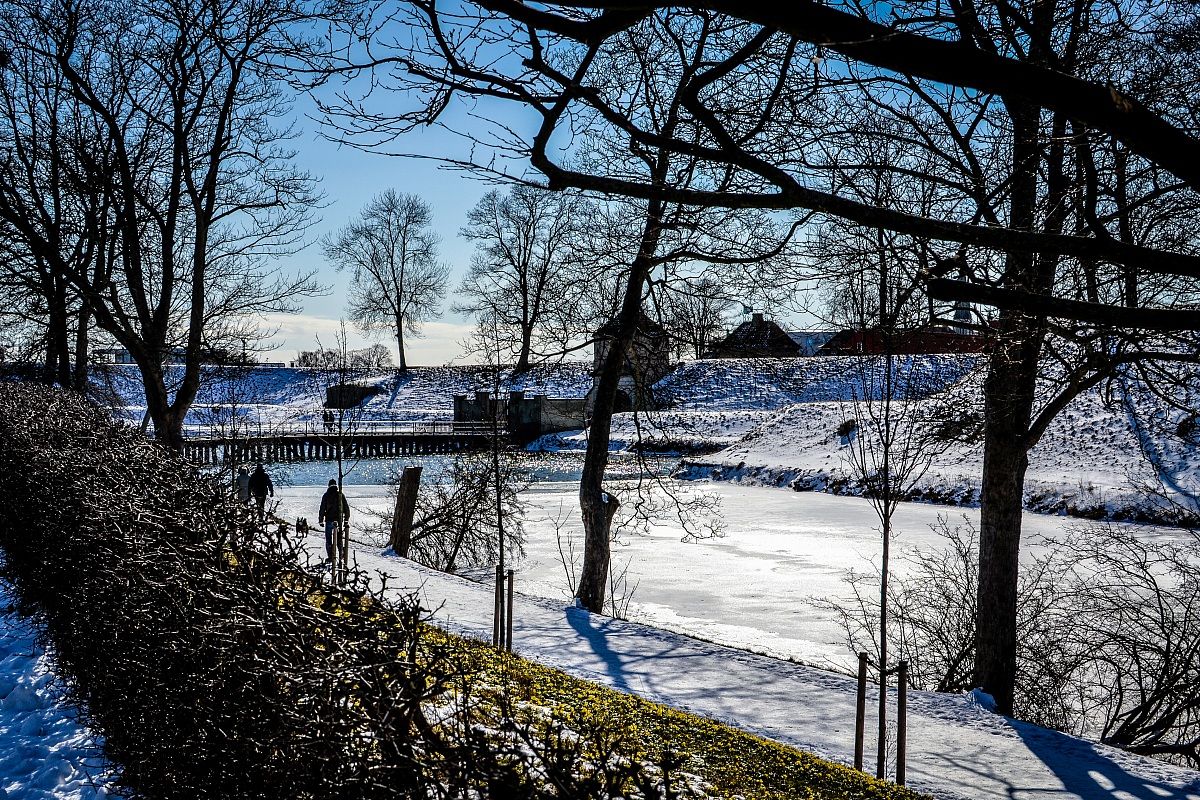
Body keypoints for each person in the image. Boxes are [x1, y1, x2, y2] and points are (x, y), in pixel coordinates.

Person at [318, 479, 350, 562]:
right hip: (339, 520)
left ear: (328, 485)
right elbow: (346, 508)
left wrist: (321, 520)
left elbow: (322, 508)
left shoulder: (326, 495)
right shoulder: (340, 495)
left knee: (328, 539)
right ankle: (341, 553)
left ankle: (331, 557)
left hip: (329, 520)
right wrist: (346, 519)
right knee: (339, 538)